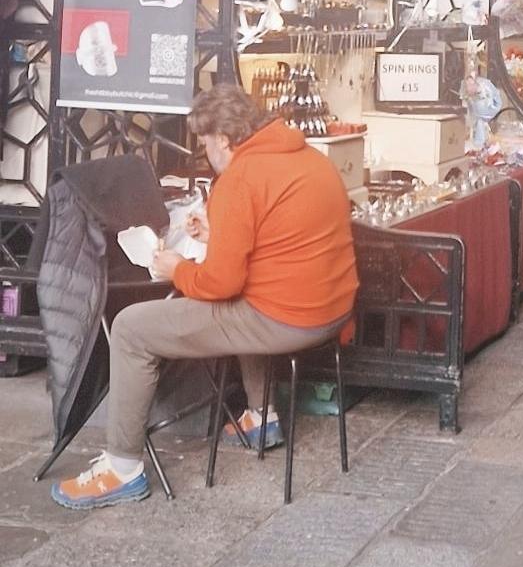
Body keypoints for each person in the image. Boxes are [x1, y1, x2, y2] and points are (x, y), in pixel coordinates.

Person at [51, 86, 359, 510]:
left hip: (285, 320)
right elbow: (284, 238)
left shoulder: (241, 178)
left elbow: (220, 286)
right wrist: (222, 235)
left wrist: (175, 268)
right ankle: (260, 417)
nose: (207, 153)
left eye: (206, 144)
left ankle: (122, 469)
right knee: (246, 296)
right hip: (332, 311)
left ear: (225, 140)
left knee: (129, 328)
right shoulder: (310, 160)